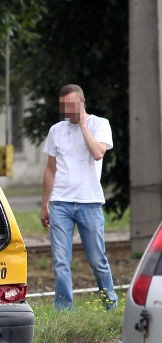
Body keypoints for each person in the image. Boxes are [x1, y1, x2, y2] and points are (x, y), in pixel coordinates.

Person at [40, 84, 118, 311]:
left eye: (72, 105)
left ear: (82, 102)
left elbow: (97, 153)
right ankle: (64, 311)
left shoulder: (100, 124)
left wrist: (83, 125)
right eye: (64, 106)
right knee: (61, 261)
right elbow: (50, 170)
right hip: (60, 202)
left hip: (90, 202)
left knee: (97, 260)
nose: (67, 111)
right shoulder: (56, 130)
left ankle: (110, 305)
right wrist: (45, 204)